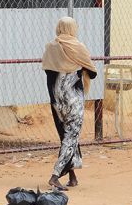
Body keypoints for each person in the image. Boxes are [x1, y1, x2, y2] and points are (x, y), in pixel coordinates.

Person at [42, 16, 97, 190]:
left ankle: (72, 176)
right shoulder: (78, 47)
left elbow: (49, 74)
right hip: (74, 100)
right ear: (73, 28)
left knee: (66, 136)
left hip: (57, 101)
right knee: (71, 137)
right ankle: (55, 176)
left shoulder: (50, 48)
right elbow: (93, 73)